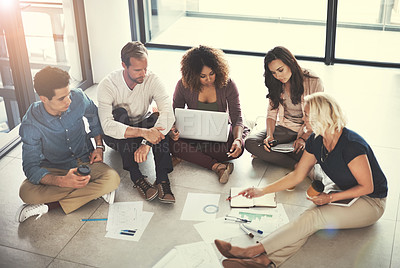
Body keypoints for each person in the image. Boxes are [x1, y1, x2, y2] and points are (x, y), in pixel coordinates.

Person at [215, 92, 387, 268]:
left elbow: (367, 187)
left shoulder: (352, 145)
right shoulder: (316, 140)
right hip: (344, 193)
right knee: (308, 222)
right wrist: (261, 191)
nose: (303, 119)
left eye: (306, 115)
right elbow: (297, 175)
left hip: (371, 201)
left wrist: (330, 198)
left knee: (313, 218)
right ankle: (263, 261)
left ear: (321, 116)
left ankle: (250, 251)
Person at [16, 66, 120, 223]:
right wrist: (61, 181)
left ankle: (49, 206)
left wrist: (99, 146)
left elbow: (93, 115)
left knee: (113, 179)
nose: (69, 101)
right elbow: (31, 167)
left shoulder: (77, 97)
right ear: (43, 98)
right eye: (61, 98)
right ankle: (92, 191)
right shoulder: (31, 123)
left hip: (85, 160)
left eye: (69, 94)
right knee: (26, 192)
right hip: (55, 166)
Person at [97, 41, 176, 203]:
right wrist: (144, 133)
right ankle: (137, 177)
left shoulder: (152, 79)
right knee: (119, 113)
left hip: (143, 126)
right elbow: (107, 125)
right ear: (124, 66)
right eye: (138, 70)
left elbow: (168, 112)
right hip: (116, 136)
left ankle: (162, 179)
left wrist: (147, 142)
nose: (144, 73)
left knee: (159, 119)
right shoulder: (108, 84)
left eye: (145, 68)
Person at [169, 45, 247, 183]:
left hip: (218, 135)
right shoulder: (183, 85)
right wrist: (173, 130)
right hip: (192, 134)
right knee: (169, 142)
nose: (209, 79)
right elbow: (173, 114)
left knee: (236, 148)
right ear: (193, 75)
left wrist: (238, 140)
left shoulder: (228, 84)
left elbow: (237, 117)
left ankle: (188, 155)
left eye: (212, 73)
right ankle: (217, 166)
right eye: (202, 76)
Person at [245, 46, 324, 173]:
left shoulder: (313, 81)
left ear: (291, 62)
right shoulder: (275, 83)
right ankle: (296, 166)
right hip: (285, 128)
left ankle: (273, 156)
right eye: (273, 72)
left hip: (308, 129)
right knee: (250, 142)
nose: (278, 76)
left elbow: (318, 118)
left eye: (280, 70)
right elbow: (271, 113)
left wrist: (303, 138)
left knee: (316, 152)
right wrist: (270, 135)